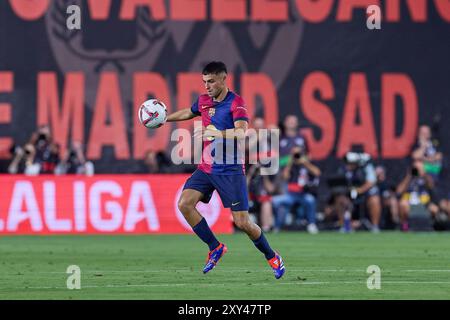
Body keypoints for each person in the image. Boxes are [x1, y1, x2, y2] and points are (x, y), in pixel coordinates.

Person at [165, 61, 285, 279]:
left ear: (223, 79)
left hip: (230, 170)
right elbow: (188, 112)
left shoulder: (236, 103)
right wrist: (164, 118)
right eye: (204, 82)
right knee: (184, 203)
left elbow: (241, 132)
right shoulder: (203, 101)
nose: (207, 86)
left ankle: (271, 255)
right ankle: (215, 247)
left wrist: (217, 133)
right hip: (207, 168)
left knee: (242, 223)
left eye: (211, 81)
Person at [271, 146, 321, 234]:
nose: (297, 156)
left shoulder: (305, 164)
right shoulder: (291, 165)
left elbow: (317, 173)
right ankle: (277, 226)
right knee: (275, 201)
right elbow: (285, 177)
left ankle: (311, 224)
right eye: (295, 154)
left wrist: (305, 162)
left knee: (311, 200)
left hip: (303, 194)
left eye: (298, 154)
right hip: (290, 195)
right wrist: (290, 162)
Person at [397, 161, 439, 231]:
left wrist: (424, 174)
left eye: (419, 168)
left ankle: (430, 225)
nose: (417, 170)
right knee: (402, 204)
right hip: (409, 201)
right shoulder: (408, 177)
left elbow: (431, 186)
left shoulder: (426, 177)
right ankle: (404, 225)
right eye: (415, 168)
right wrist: (409, 176)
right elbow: (399, 191)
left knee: (434, 208)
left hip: (424, 201)